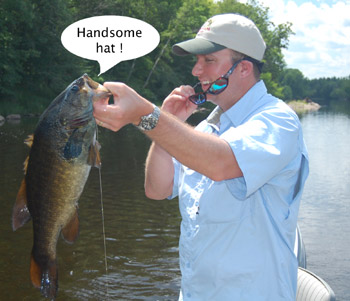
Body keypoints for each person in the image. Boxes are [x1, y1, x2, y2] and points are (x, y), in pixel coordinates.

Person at [93, 13, 309, 301]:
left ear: (243, 68)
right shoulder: (205, 129)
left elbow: (222, 163)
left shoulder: (278, 121)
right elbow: (157, 190)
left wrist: (147, 115)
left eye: (208, 61)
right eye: (197, 61)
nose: (196, 70)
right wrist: (168, 119)